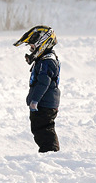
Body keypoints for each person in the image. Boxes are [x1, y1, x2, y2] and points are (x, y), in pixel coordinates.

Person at [13, 25, 60, 153]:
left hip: (44, 104)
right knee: (38, 129)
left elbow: (43, 83)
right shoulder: (43, 60)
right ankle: (47, 150)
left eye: (33, 47)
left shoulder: (47, 61)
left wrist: (35, 100)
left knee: (44, 129)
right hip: (43, 103)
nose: (31, 50)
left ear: (43, 45)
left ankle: (51, 151)